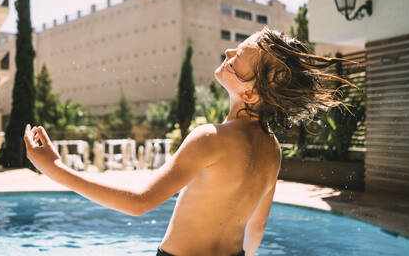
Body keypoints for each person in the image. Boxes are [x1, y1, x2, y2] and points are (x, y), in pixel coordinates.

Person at [24, 26, 346, 256]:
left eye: (238, 57)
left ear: (250, 92)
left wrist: (56, 169)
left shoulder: (211, 138)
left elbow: (139, 202)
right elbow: (257, 226)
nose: (228, 52)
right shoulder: (272, 149)